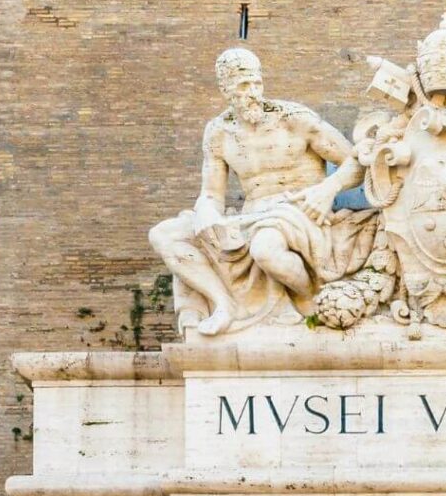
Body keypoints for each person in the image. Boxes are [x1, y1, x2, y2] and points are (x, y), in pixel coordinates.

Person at [149, 48, 364, 334]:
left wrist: (328, 189)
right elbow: (212, 193)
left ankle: (307, 298)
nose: (253, 92)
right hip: (250, 217)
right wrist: (205, 212)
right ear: (226, 90)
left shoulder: (294, 119)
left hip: (298, 210)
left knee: (265, 249)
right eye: (243, 86)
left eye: (256, 83)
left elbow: (356, 161)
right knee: (165, 234)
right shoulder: (218, 132)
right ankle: (224, 305)